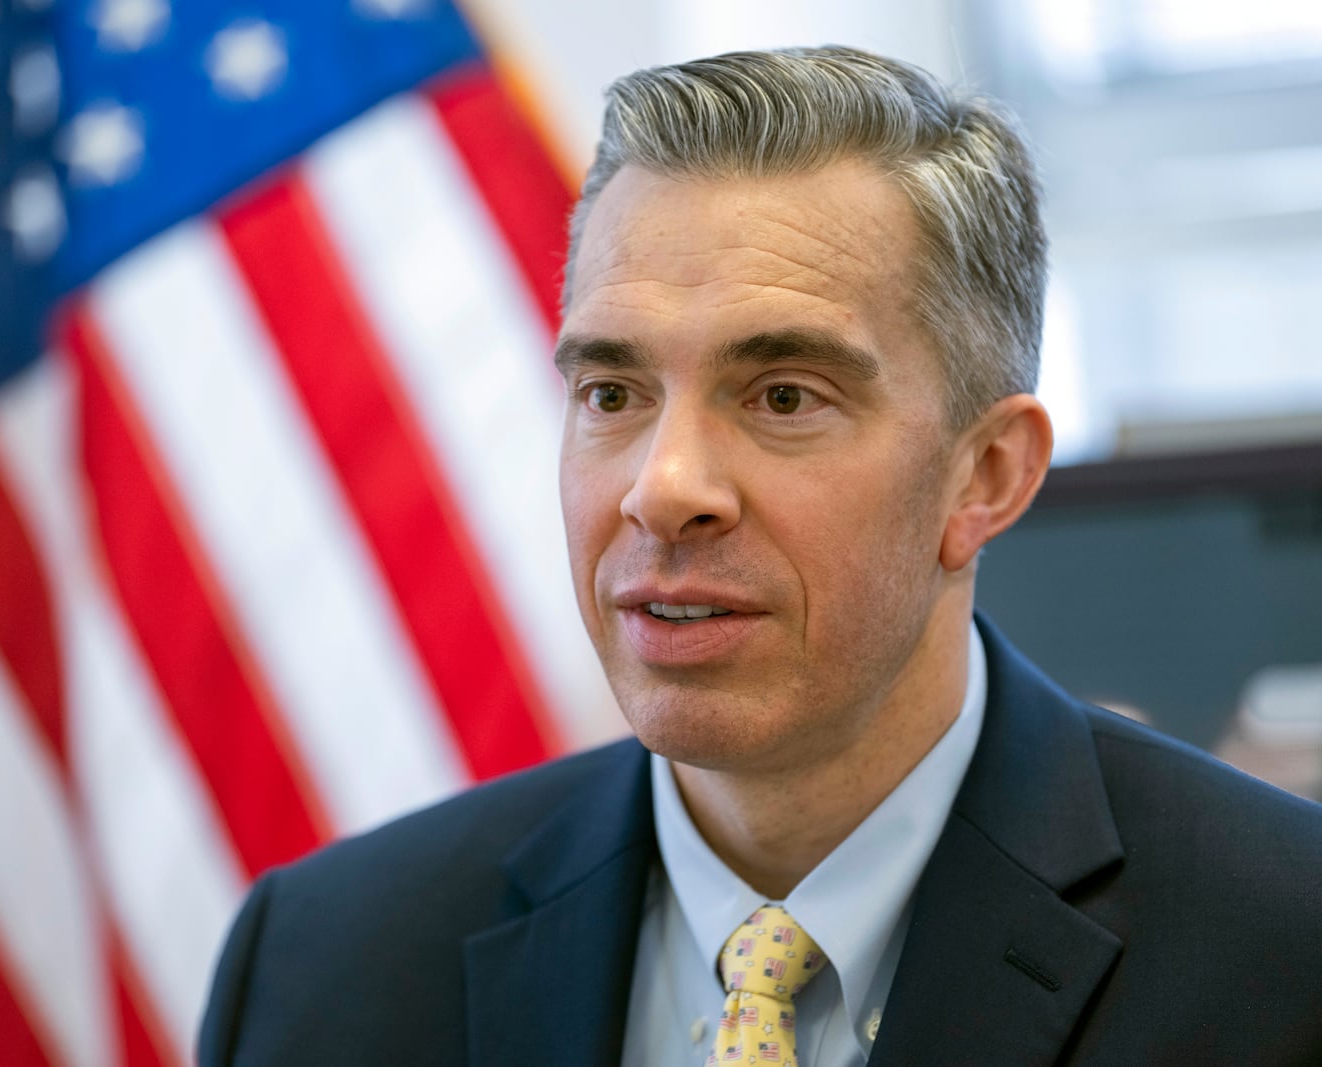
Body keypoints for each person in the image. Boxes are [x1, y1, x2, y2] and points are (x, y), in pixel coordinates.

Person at [197, 46, 1322, 1066]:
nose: (661, 486)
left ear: (985, 476)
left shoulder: (1285, 949)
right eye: (610, 392)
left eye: (782, 395)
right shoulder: (319, 967)